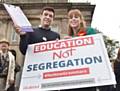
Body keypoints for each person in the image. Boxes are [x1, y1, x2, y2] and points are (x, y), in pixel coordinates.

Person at [63, 9, 97, 91]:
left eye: (76, 17)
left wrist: (74, 40)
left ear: (81, 20)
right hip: (74, 77)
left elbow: (95, 48)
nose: (73, 19)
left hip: (88, 77)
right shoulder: (69, 37)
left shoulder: (89, 31)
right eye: (71, 18)